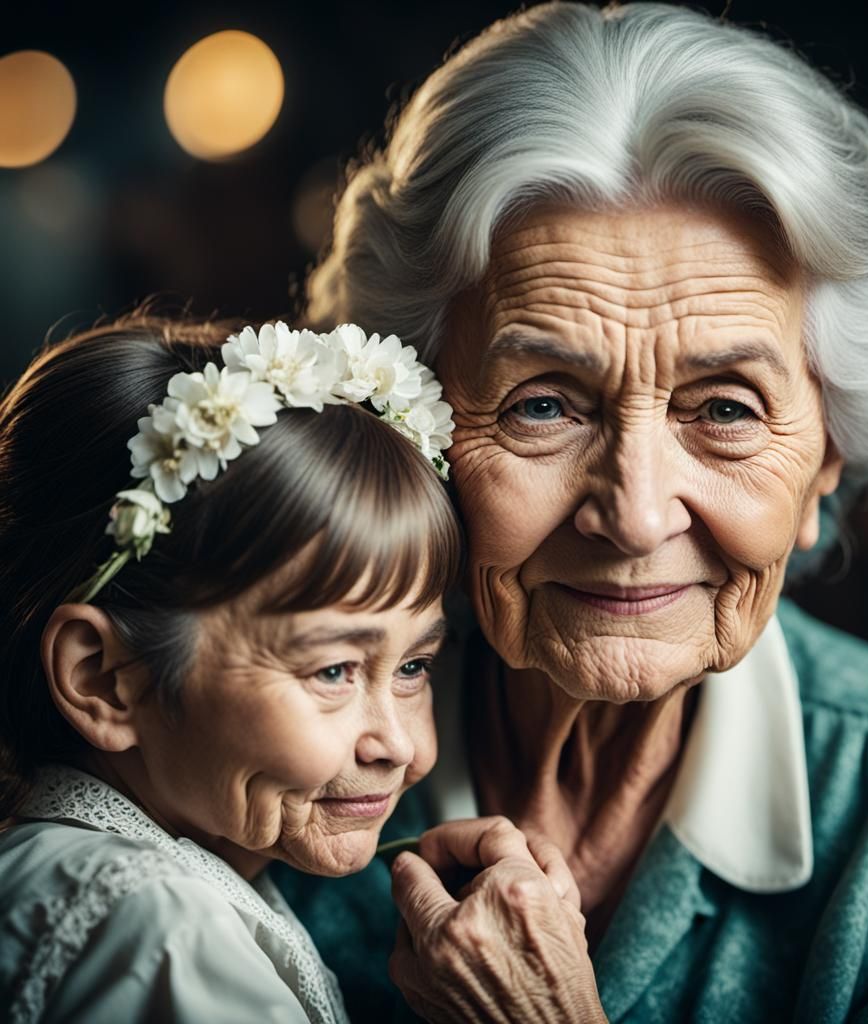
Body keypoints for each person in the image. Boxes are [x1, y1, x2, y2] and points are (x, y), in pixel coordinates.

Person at [281, 2, 868, 1021]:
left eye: (724, 409)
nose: (633, 516)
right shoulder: (254, 761)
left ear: (824, 467)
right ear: (415, 440)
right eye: (543, 404)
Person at [0, 315, 580, 1023]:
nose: (399, 746)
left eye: (414, 666)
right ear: (104, 680)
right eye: (333, 672)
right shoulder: (165, 931)